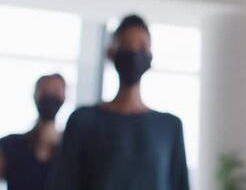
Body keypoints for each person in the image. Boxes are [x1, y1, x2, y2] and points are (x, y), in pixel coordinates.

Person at [50, 15, 189, 190]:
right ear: (111, 53)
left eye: (141, 46)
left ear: (150, 56)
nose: (134, 53)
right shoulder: (83, 121)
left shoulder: (170, 127)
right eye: (126, 45)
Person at [0, 74, 66, 190]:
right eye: (45, 90)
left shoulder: (70, 148)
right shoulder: (10, 145)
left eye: (56, 91)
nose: (50, 96)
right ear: (35, 95)